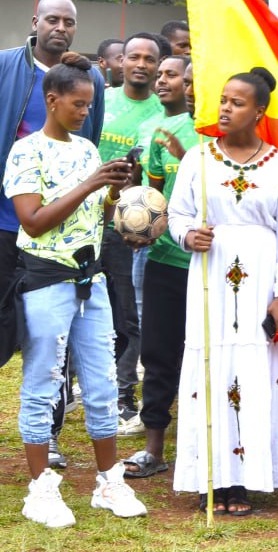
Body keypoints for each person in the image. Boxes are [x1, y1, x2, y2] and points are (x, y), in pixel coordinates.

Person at [0, 0, 106, 466]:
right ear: (35, 21)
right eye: (52, 19)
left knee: (56, 333)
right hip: (0, 220)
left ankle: (51, 432)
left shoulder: (91, 78)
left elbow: (89, 141)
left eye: (69, 21)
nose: (60, 28)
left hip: (57, 234)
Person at [2, 52, 147, 527]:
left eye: (89, 105)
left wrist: (113, 192)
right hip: (45, 279)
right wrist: (90, 184)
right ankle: (40, 489)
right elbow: (34, 221)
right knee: (43, 383)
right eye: (79, 104)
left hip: (92, 279)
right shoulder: (26, 150)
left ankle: (110, 480)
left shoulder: (86, 148)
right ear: (53, 99)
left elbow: (96, 218)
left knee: (103, 384)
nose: (86, 112)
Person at [167, 68, 278, 514]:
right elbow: (176, 215)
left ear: (259, 111)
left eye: (236, 102)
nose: (225, 108)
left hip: (260, 276)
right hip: (210, 275)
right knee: (210, 365)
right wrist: (188, 236)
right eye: (223, 99)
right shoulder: (198, 159)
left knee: (252, 369)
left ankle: (243, 480)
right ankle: (210, 475)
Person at [123, 55, 196, 479]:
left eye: (186, 78)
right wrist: (140, 229)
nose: (183, 84)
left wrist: (185, 154)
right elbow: (154, 197)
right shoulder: (162, 133)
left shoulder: (222, 137)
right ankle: (153, 447)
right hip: (166, 260)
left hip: (211, 265)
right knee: (157, 353)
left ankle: (200, 444)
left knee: (200, 355)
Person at [98, 32, 170, 436]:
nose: (141, 64)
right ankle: (87, 383)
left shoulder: (163, 114)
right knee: (92, 307)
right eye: (134, 56)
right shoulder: (102, 103)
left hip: (132, 230)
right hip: (91, 221)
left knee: (130, 315)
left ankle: (124, 393)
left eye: (150, 59)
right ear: (119, 61)